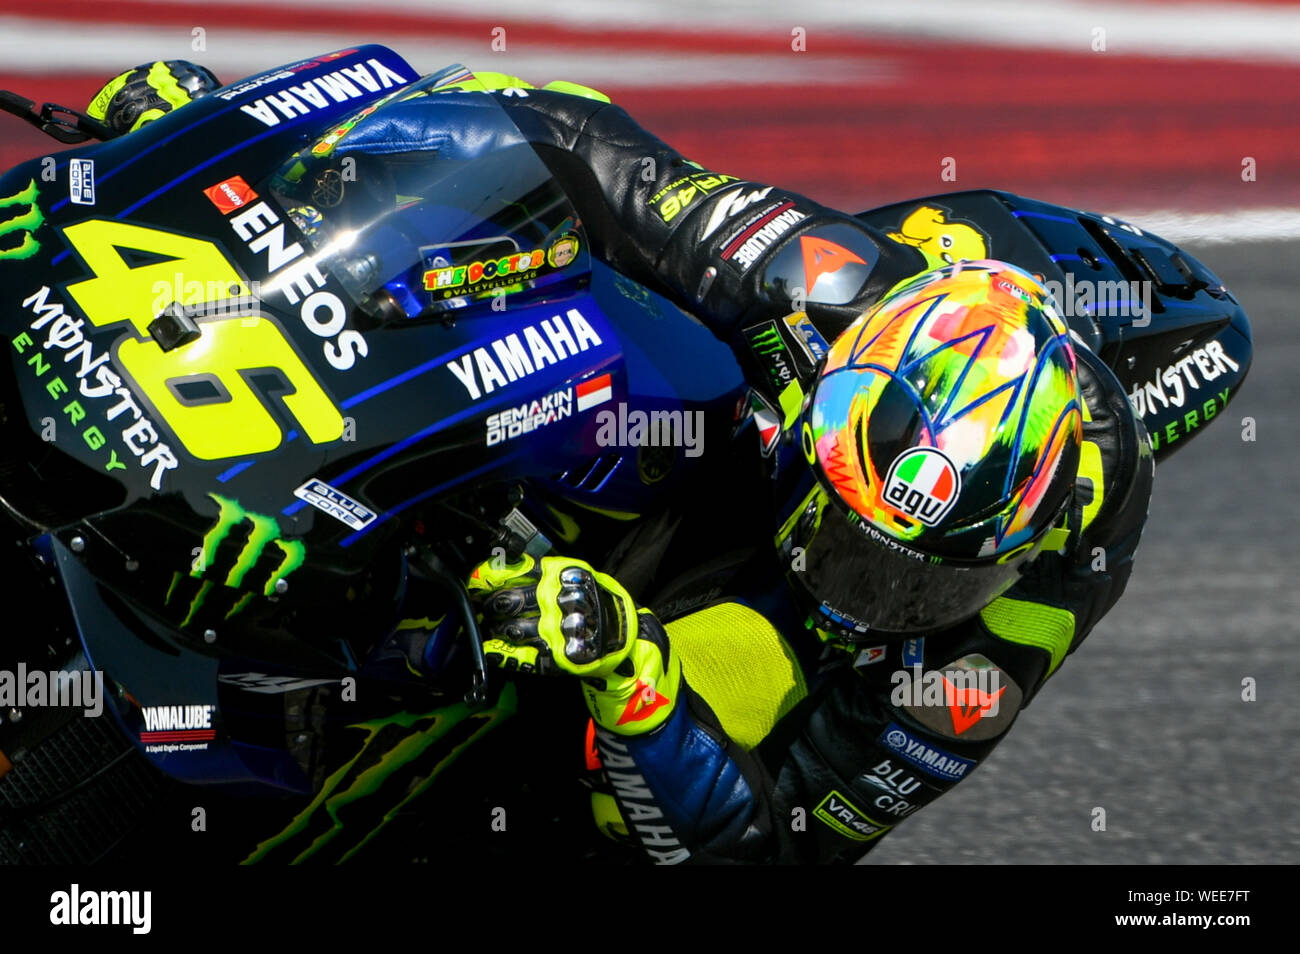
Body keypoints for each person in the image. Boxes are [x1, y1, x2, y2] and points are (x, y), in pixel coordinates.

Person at [88, 61, 1155, 864]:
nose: (866, 594)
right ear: (831, 394)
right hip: (705, 433)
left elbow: (772, 848)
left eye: (923, 583)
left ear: (1022, 542)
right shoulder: (812, 286)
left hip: (732, 638)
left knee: (601, 822)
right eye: (851, 545)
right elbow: (563, 130)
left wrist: (635, 684)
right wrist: (268, 158)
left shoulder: (1015, 623)